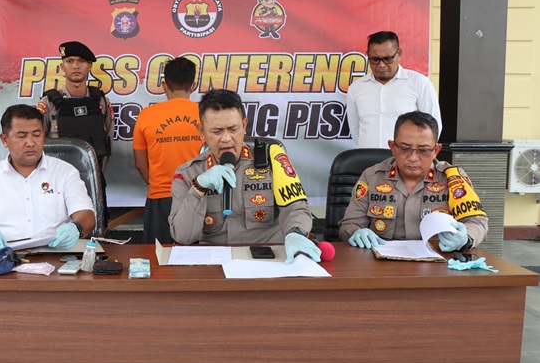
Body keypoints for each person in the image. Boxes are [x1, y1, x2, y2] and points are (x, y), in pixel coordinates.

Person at [168, 89, 321, 263]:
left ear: (244, 125)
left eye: (233, 129)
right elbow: (182, 237)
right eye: (217, 131)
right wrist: (198, 187)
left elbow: (295, 208)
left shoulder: (273, 161)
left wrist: (296, 233)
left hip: (268, 261)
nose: (226, 138)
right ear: (201, 131)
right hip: (216, 265)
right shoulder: (187, 174)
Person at [339, 111, 488, 251]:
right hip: (381, 260)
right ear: (393, 147)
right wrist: (356, 232)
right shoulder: (372, 177)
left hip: (438, 259)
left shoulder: (453, 179)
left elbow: (477, 222)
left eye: (423, 150)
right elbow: (350, 224)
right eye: (405, 148)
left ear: (436, 150)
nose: (413, 158)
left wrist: (466, 238)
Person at [0, 104, 95, 250]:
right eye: (22, 136)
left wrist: (76, 228)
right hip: (4, 255)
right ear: (4, 140)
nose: (30, 143)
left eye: (36, 135)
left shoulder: (65, 171)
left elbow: (87, 215)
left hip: (55, 253)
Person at [37, 41, 114, 224]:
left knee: (96, 226)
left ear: (89, 65)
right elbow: (40, 142)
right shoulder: (48, 103)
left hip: (92, 178)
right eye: (70, 61)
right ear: (62, 66)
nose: (76, 66)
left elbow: (107, 142)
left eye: (81, 61)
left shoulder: (101, 101)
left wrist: (95, 174)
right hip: (57, 181)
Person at [132, 57, 204, 244]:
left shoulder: (146, 115)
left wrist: (157, 185)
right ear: (193, 85)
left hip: (161, 199)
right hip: (201, 196)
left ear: (164, 85)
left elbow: (140, 163)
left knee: (159, 257)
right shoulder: (206, 114)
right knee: (201, 257)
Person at [345, 31, 442, 148]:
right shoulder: (356, 88)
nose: (381, 65)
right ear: (367, 55)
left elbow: (433, 128)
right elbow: (355, 130)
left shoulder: (419, 83)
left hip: (405, 158)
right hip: (367, 157)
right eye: (375, 59)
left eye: (387, 59)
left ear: (399, 54)